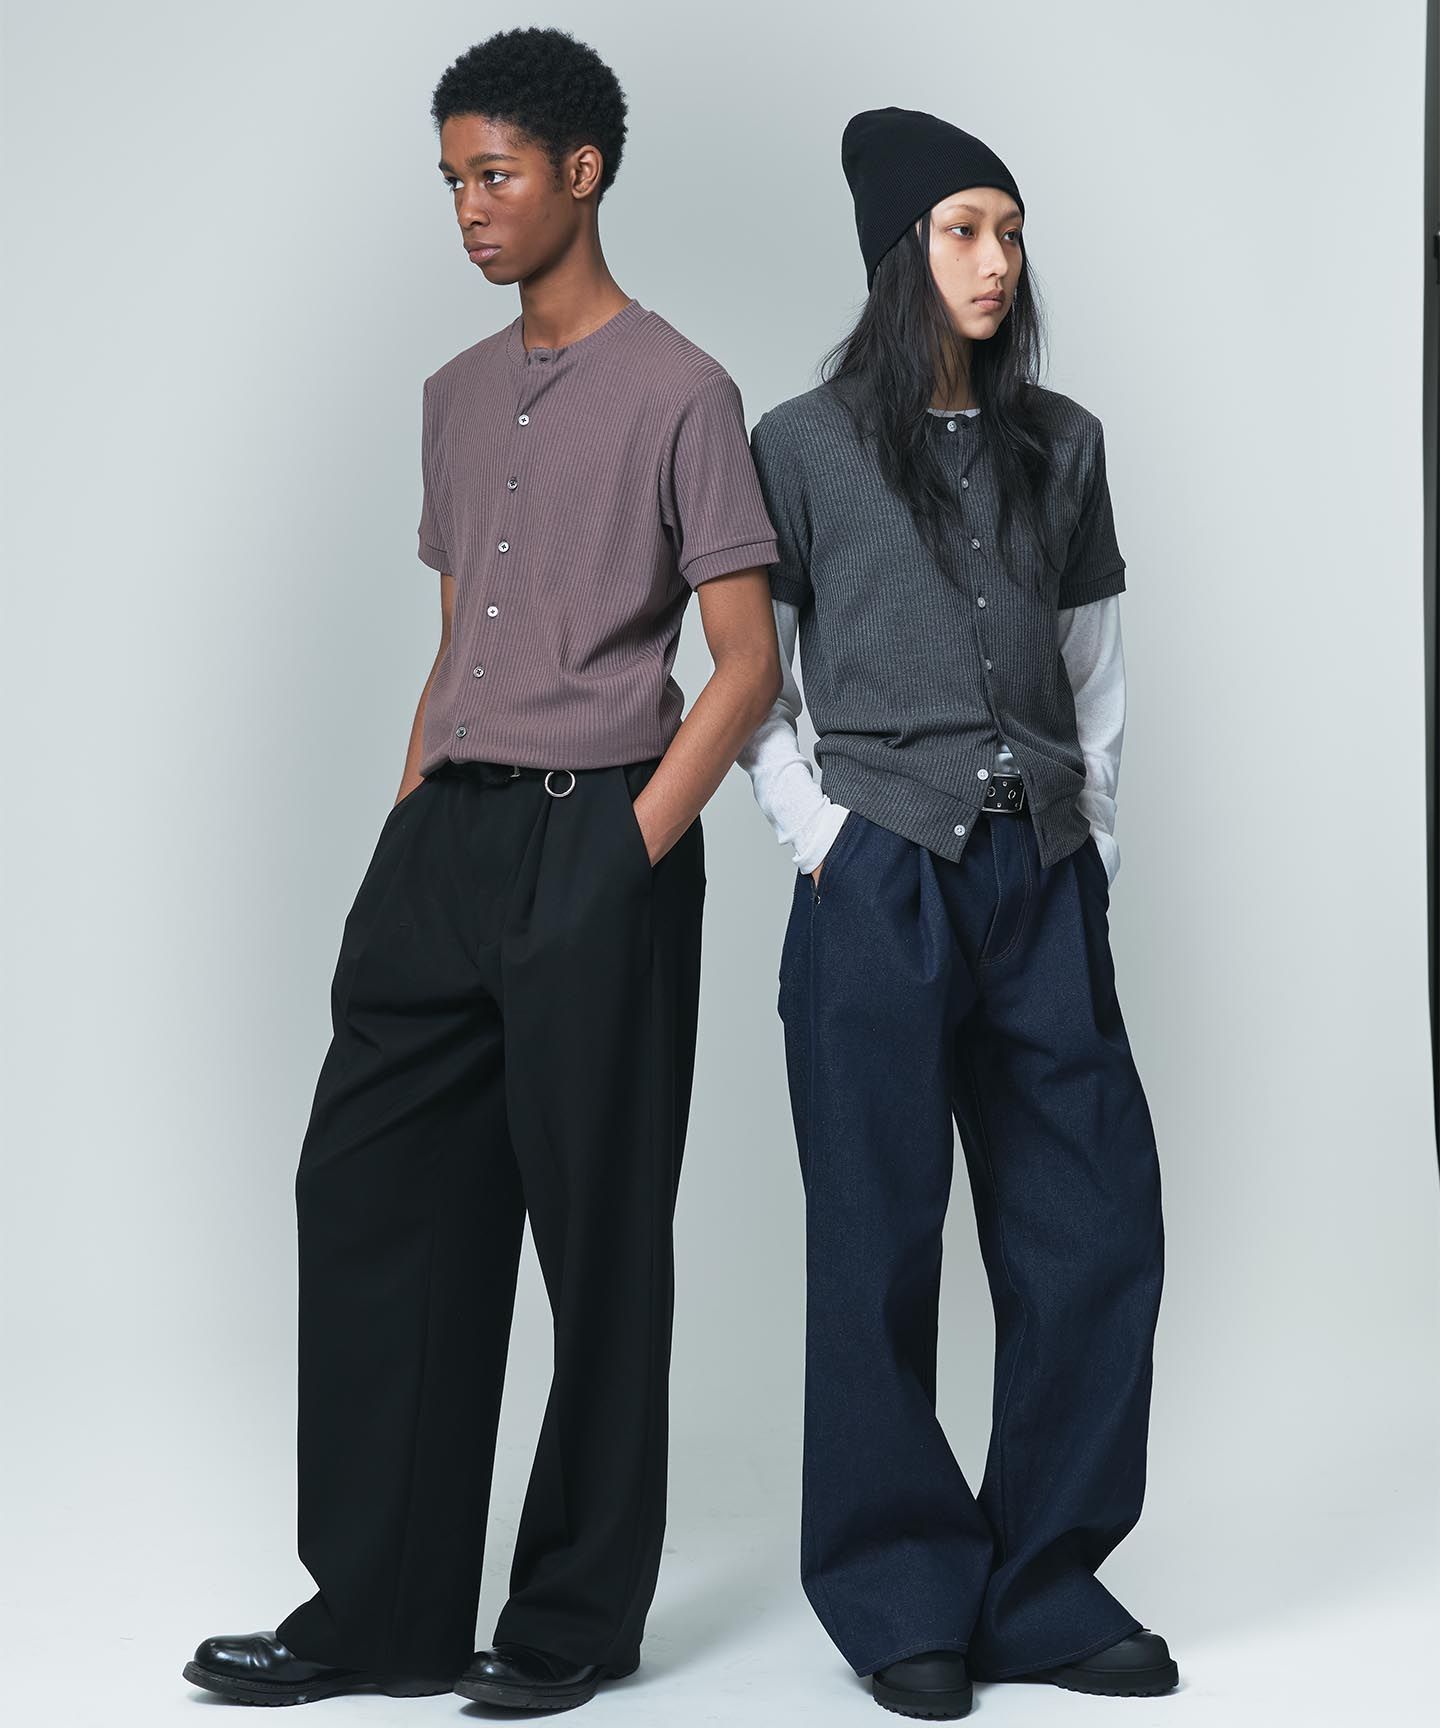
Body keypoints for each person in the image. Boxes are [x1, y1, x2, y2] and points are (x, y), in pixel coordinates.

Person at [183, 26, 782, 1712]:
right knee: (372, 1202)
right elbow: (458, 644)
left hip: (600, 835)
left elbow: (746, 664)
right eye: (451, 179)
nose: (468, 206)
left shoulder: (684, 391)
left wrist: (624, 853)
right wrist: (406, 828)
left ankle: (572, 1622)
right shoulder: (453, 396)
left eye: (495, 174)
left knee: (599, 1242)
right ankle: (378, 1614)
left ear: (582, 173)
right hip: (442, 840)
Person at [737, 106, 1179, 1719]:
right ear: (898, 254)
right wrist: (818, 839)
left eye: (1009, 230)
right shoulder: (799, 445)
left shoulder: (1065, 442)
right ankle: (898, 1590)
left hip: (1038, 874)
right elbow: (749, 672)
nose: (998, 262)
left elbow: (1092, 669)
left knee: (1092, 1229)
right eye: (964, 231)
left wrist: (1092, 845)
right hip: (882, 879)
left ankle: (1045, 1587)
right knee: (876, 1240)